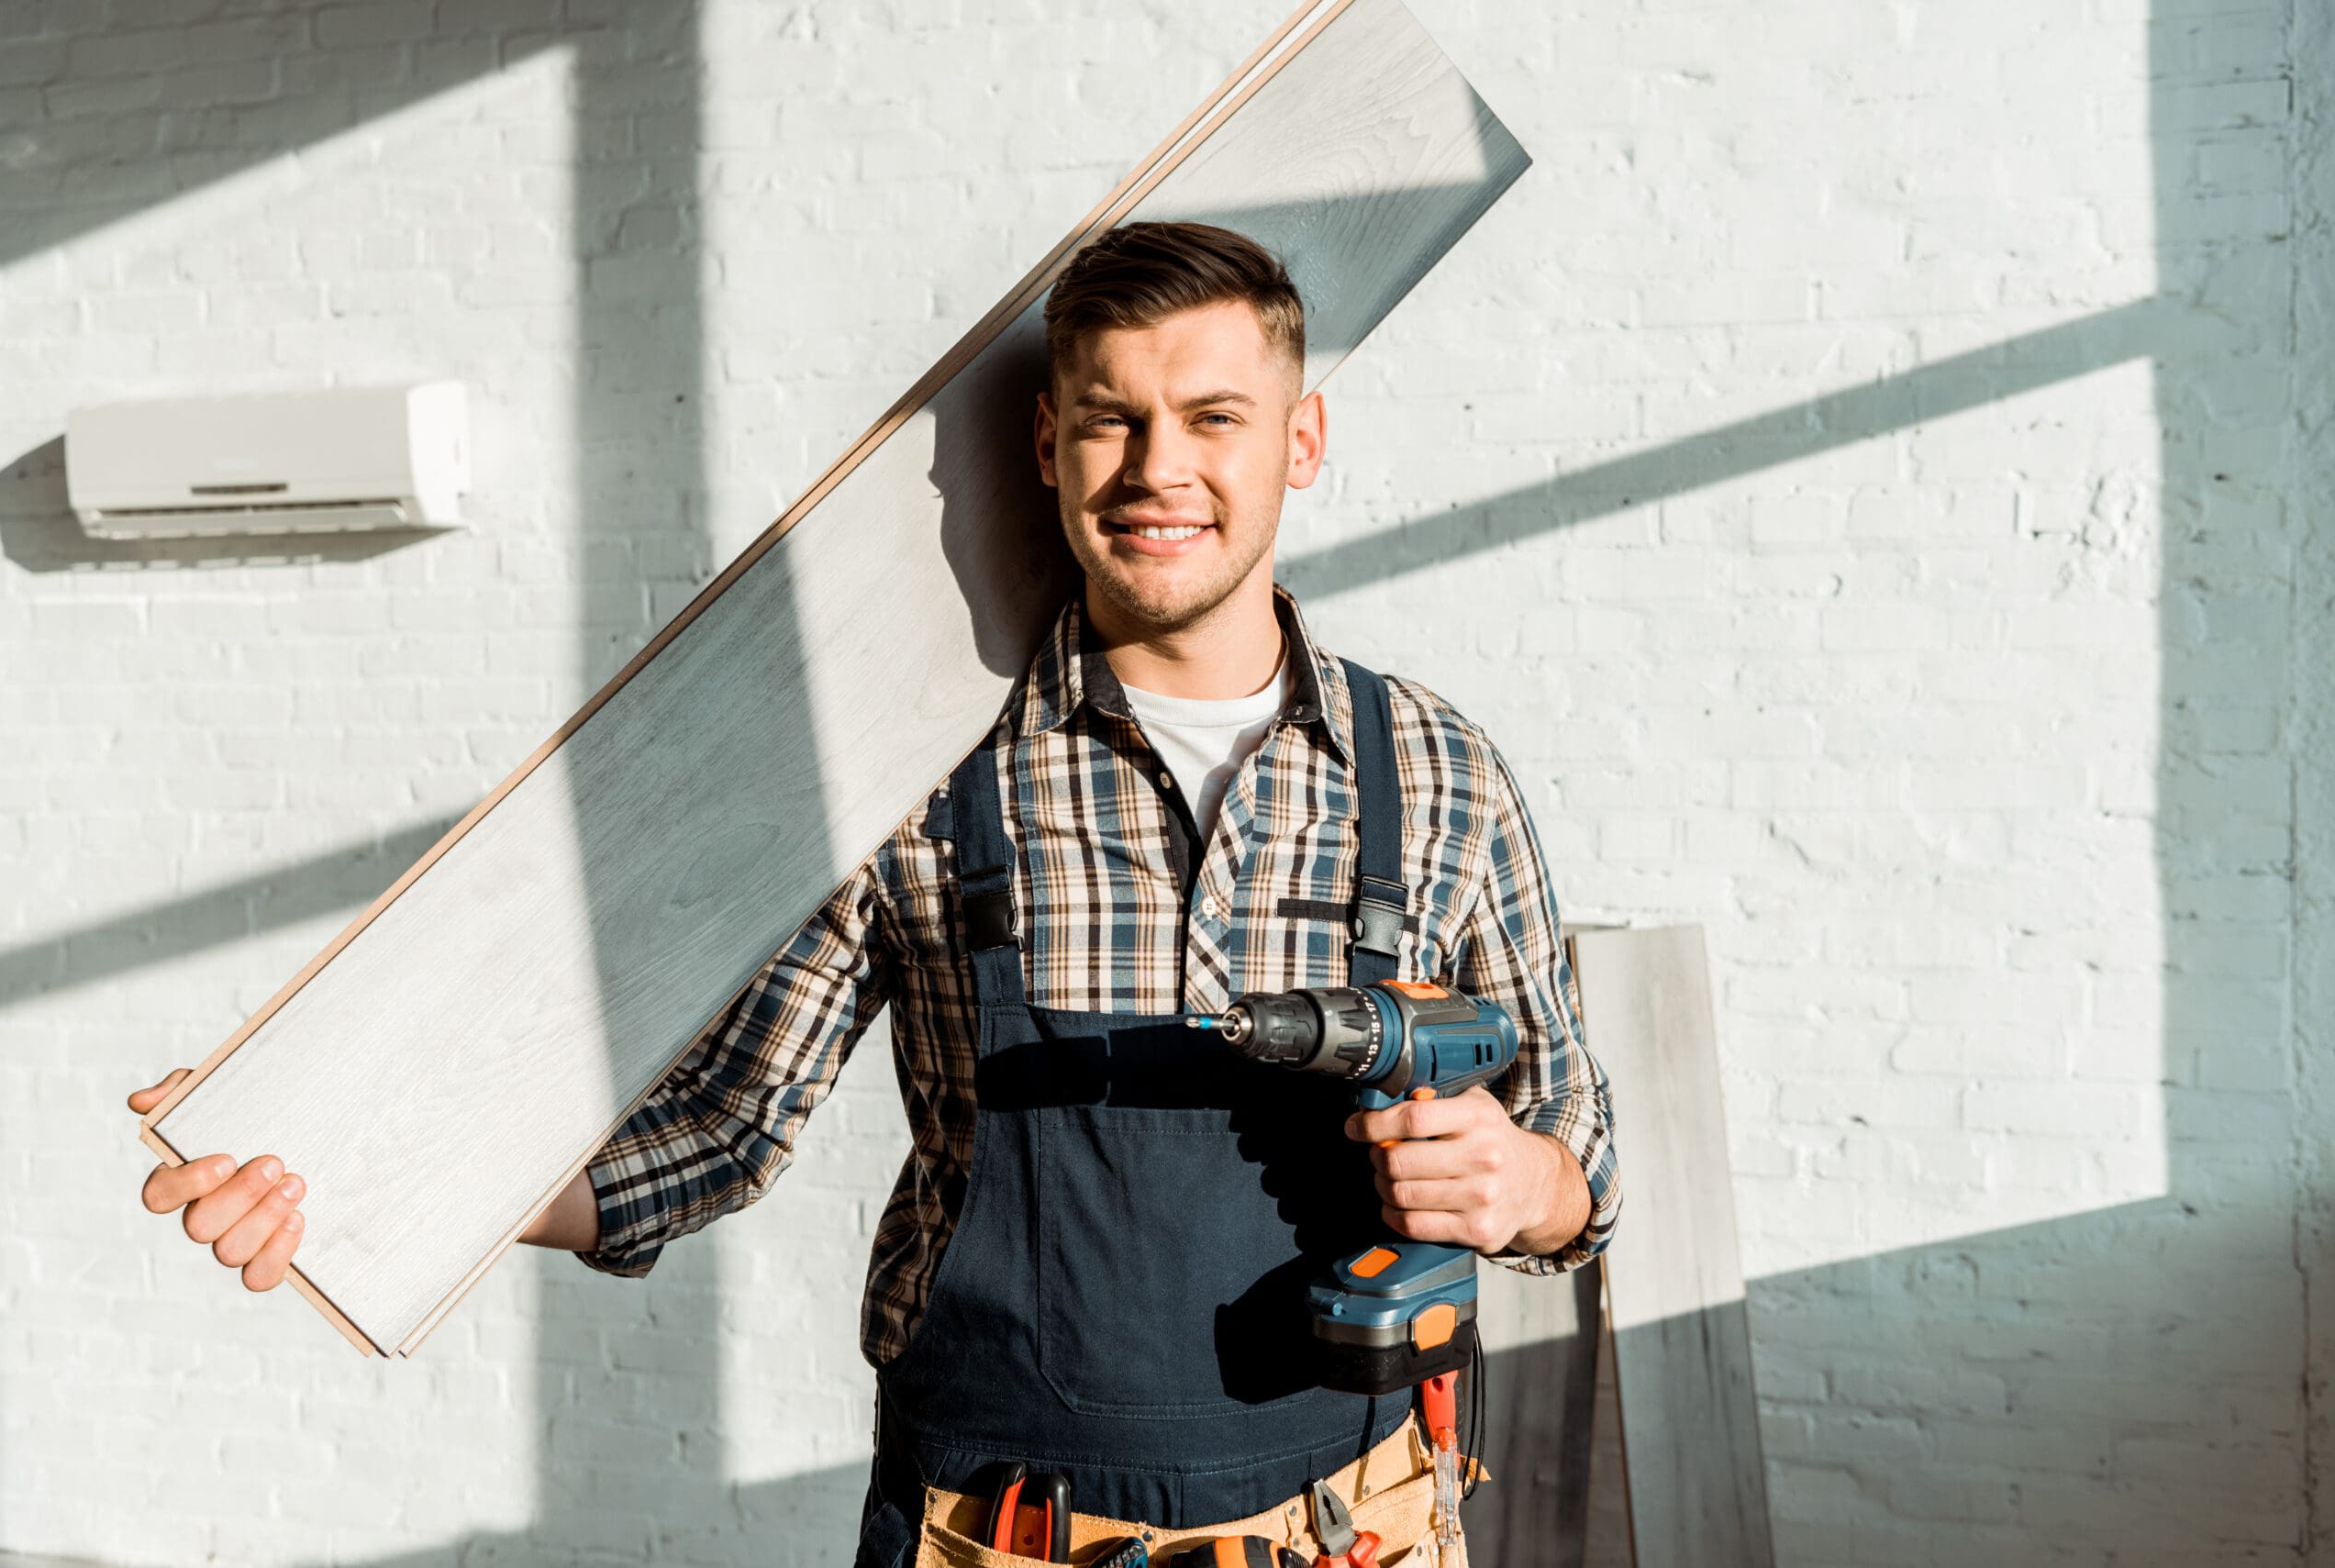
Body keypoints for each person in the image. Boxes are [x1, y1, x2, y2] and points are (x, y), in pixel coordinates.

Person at [131, 222, 1620, 1566]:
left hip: (1356, 1530)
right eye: (1113, 417)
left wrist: (1531, 1185)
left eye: (1214, 418)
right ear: (1047, 442)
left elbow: (1586, 1152)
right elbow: (715, 1130)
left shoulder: (1432, 769)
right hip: (1001, 1539)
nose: (1160, 466)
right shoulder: (920, 777)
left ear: (1301, 440)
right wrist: (371, 1169)